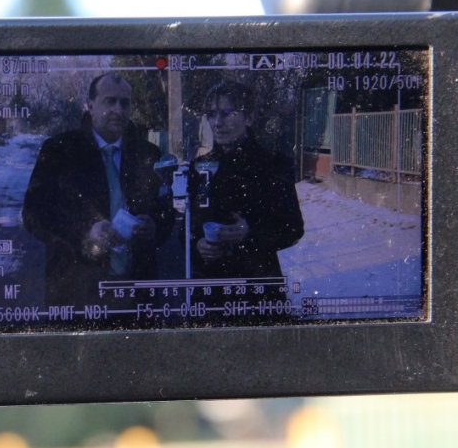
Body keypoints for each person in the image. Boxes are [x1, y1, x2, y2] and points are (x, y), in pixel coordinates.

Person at [23, 73, 172, 306]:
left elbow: (166, 212)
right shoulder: (60, 151)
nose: (118, 110)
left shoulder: (148, 154)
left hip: (137, 293)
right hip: (77, 291)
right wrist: (86, 234)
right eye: (110, 101)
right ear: (90, 106)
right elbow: (34, 214)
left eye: (125, 103)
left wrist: (154, 227)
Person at [189, 81, 304, 282]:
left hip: (258, 283)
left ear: (249, 117)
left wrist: (250, 232)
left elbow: (293, 228)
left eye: (227, 113)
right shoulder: (199, 167)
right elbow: (188, 227)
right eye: (212, 114)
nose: (217, 123)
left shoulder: (274, 165)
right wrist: (198, 244)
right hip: (210, 285)